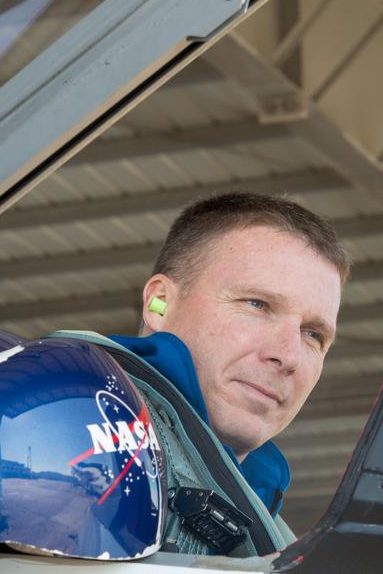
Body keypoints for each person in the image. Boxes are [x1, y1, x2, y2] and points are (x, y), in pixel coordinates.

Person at [104, 192, 350, 518]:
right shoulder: (63, 426)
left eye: (313, 335)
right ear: (159, 304)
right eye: (257, 304)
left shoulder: (276, 544)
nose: (289, 356)